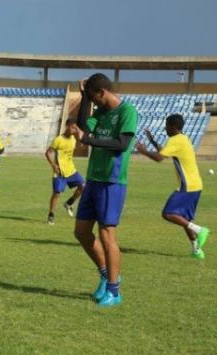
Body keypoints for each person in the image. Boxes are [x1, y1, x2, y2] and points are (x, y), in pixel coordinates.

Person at [74, 74, 138, 307]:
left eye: (93, 97)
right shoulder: (100, 113)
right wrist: (83, 97)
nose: (93, 103)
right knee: (81, 232)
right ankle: (105, 274)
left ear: (102, 92)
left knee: (106, 234)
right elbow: (83, 127)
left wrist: (89, 140)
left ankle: (114, 290)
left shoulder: (127, 112)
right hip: (93, 179)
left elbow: (122, 144)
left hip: (112, 181)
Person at [136, 114, 209, 259]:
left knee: (168, 214)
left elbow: (159, 158)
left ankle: (200, 230)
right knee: (184, 218)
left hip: (187, 186)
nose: (165, 128)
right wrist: (153, 141)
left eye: (167, 126)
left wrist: (143, 151)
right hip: (195, 184)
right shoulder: (183, 138)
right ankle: (196, 250)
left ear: (174, 127)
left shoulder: (175, 140)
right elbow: (166, 153)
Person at [45, 118, 85, 224]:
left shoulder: (74, 139)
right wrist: (54, 165)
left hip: (71, 171)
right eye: (72, 127)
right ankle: (51, 215)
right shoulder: (58, 140)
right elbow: (48, 153)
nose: (74, 130)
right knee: (57, 193)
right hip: (59, 172)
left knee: (83, 186)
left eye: (75, 128)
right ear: (67, 126)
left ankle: (69, 203)